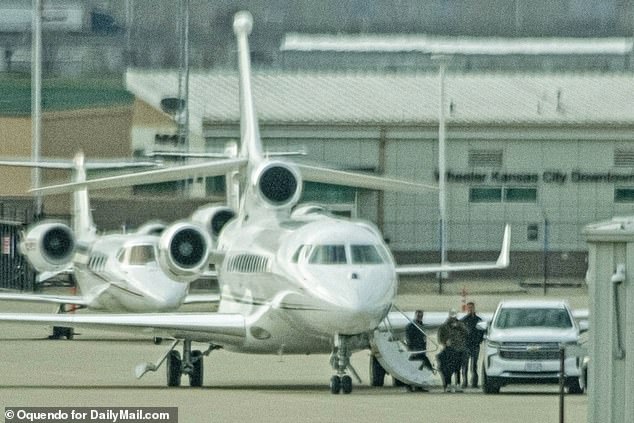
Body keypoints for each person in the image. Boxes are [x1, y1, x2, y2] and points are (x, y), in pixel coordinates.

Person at [437, 309, 467, 392]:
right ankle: (448, 385)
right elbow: (440, 337)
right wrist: (445, 342)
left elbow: (466, 333)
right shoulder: (444, 326)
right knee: (448, 368)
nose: (453, 318)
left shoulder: (460, 324)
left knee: (458, 368)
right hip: (449, 350)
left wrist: (459, 326)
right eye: (452, 316)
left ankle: (458, 384)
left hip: (459, 349)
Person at [460, 301, 485, 388]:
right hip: (466, 346)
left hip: (475, 345)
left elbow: (482, 331)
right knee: (465, 365)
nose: (470, 309)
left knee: (474, 365)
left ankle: (474, 382)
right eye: (469, 308)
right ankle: (465, 382)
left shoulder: (478, 320)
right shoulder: (463, 321)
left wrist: (480, 340)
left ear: (474, 308)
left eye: (472, 307)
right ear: (467, 309)